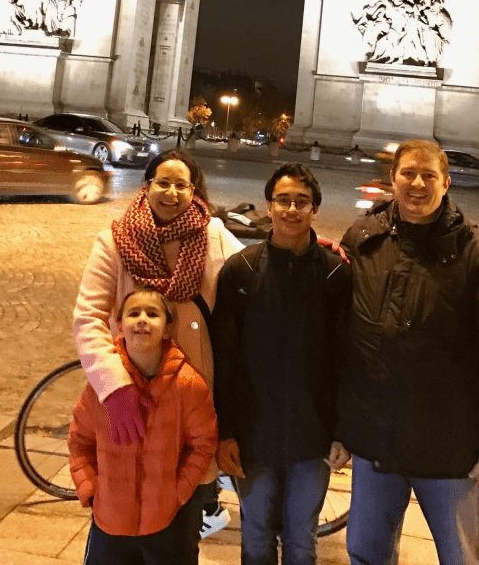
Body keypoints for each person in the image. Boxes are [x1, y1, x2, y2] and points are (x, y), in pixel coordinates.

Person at [338, 139, 479, 565]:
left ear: (446, 184)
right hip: (377, 442)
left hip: (452, 449)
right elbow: (341, 343)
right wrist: (338, 428)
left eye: (428, 175)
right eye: (408, 173)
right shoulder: (361, 240)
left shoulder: (478, 254)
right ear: (393, 179)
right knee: (366, 553)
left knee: (459, 558)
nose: (417, 184)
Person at [73, 149, 244, 544]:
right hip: (133, 392)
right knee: (125, 503)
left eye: (181, 185)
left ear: (194, 191)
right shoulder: (115, 240)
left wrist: (307, 243)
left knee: (181, 522)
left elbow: (259, 267)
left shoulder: (213, 235)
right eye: (163, 183)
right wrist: (113, 386)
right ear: (146, 186)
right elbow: (88, 317)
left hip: (189, 394)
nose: (171, 192)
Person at [211, 163, 352, 565]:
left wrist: (343, 432)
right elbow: (225, 357)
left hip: (314, 438)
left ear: (315, 210)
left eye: (301, 202)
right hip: (254, 435)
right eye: (283, 200)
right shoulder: (241, 269)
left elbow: (347, 359)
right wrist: (226, 432)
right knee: (256, 537)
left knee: (302, 540)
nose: (292, 209)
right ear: (269, 207)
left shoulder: (336, 274)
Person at [69, 288, 218, 565]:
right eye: (133, 313)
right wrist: (90, 488)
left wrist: (178, 492)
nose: (142, 319)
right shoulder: (103, 386)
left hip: (165, 521)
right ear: (119, 324)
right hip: (110, 522)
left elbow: (203, 443)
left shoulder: (187, 385)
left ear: (167, 328)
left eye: (152, 314)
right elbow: (80, 441)